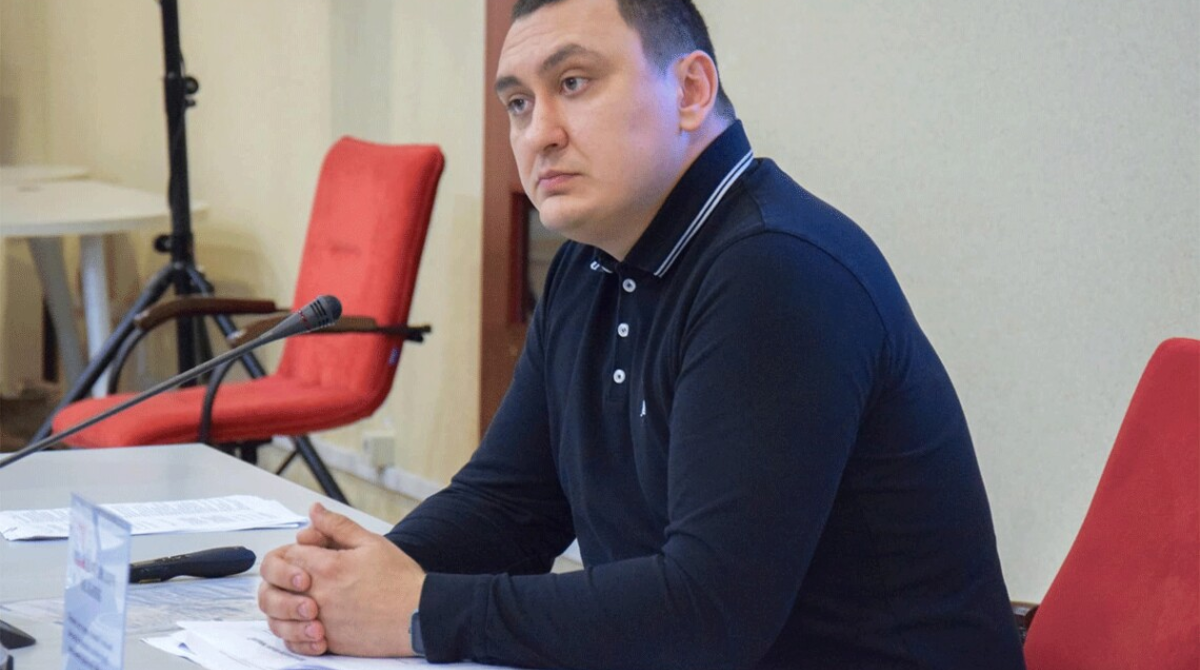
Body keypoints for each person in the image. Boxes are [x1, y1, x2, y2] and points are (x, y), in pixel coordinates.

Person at [258, 1, 1027, 668]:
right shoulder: (587, 263)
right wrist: (355, 576)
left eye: (573, 83)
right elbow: (510, 504)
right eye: (518, 103)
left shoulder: (774, 270)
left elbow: (711, 610)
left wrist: (420, 610)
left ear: (690, 91)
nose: (539, 134)